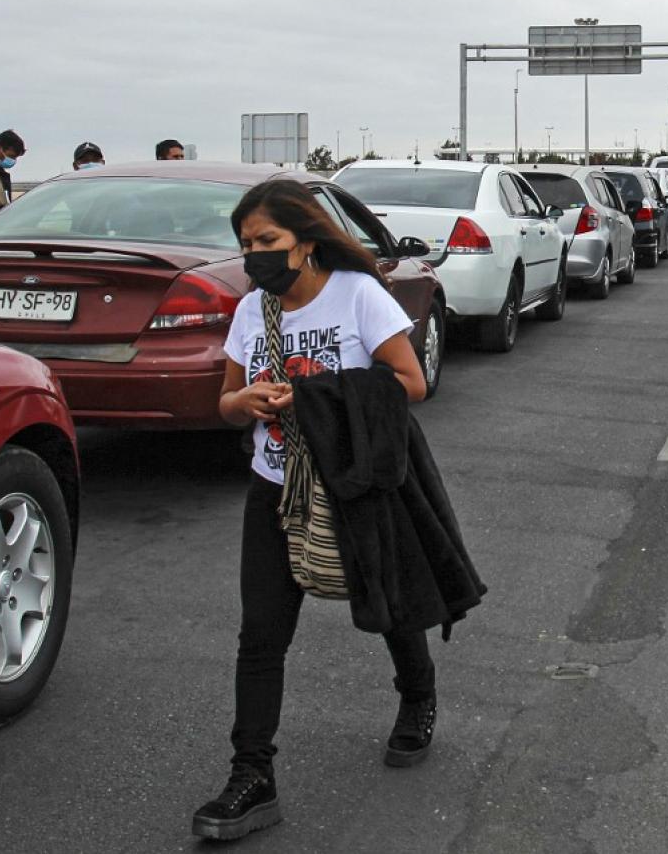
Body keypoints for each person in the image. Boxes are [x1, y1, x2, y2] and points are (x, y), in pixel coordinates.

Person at [193, 179, 484, 841]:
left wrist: (314, 396)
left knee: (386, 600)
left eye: (267, 241)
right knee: (261, 633)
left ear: (306, 239)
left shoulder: (357, 297)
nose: (255, 255)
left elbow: (410, 382)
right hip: (275, 484)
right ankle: (252, 775)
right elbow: (226, 401)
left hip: (352, 481)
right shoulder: (252, 311)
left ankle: (417, 689)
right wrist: (250, 403)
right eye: (246, 245)